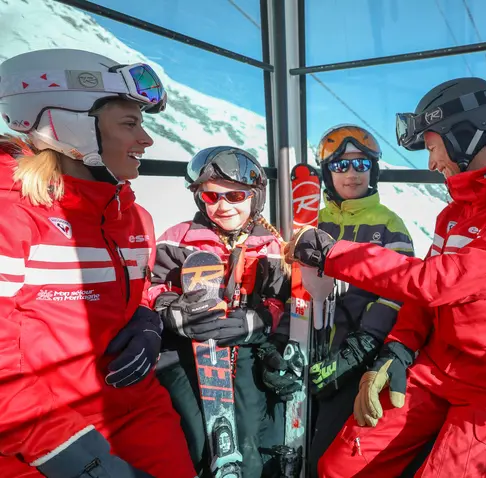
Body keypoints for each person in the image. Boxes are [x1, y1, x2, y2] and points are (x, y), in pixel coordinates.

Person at [285, 77, 486, 477]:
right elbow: (425, 299)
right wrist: (398, 350)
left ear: (463, 137)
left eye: (434, 146)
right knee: (339, 468)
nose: (431, 162)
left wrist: (332, 253)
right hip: (435, 369)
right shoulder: (453, 213)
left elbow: (441, 281)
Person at [0, 49, 196, 477]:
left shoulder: (133, 218)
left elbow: (134, 299)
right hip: (32, 440)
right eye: (130, 123)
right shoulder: (10, 216)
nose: (145, 140)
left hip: (136, 410)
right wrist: (84, 462)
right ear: (67, 124)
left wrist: (146, 320)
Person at [148, 146, 301, 477]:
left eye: (234, 195)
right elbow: (151, 289)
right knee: (196, 436)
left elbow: (278, 300)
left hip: (244, 351)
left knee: (247, 433)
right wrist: (170, 311)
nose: (222, 206)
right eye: (211, 197)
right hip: (186, 353)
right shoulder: (178, 239)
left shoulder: (269, 246)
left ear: (254, 196)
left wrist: (256, 322)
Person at [306, 124, 415, 477]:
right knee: (293, 439)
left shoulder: (388, 226)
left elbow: (397, 295)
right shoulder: (311, 221)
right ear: (327, 172)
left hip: (354, 356)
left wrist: (358, 350)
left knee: (325, 448)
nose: (351, 173)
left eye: (361, 164)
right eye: (340, 166)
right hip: (305, 348)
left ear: (373, 170)